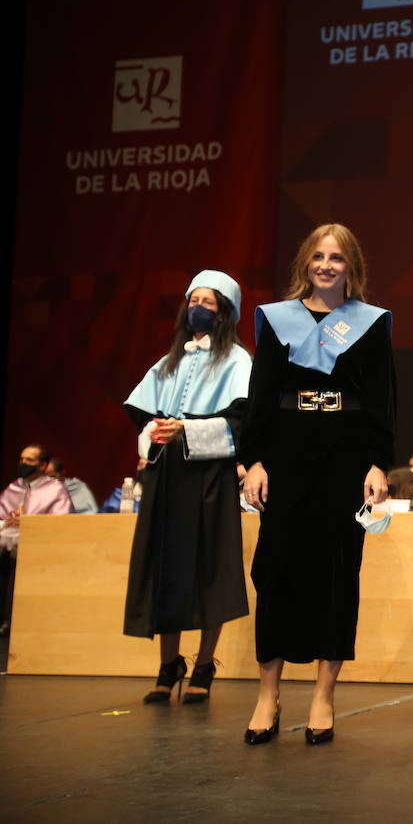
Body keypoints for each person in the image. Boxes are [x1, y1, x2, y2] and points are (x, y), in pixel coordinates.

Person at [240, 224, 396, 745]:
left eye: (337, 258)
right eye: (318, 257)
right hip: (285, 453)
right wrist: (255, 460)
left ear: (351, 266)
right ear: (305, 262)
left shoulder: (369, 325)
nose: (326, 265)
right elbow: (260, 394)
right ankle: (268, 694)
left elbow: (381, 400)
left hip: (345, 456)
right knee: (275, 568)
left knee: (337, 571)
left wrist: (376, 463)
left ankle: (324, 695)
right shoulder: (275, 320)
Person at [122, 270, 253, 704]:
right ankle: (167, 663)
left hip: (209, 478)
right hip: (167, 478)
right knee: (166, 568)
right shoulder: (168, 362)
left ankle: (203, 665)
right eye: (193, 299)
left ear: (224, 313)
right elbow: (142, 415)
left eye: (209, 302)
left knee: (210, 569)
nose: (199, 307)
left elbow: (242, 422)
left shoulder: (237, 362)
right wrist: (155, 434)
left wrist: (189, 431)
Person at [0, 445, 75, 635]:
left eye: (29, 460)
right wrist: (9, 522)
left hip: (39, 550)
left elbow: (61, 523)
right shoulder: (14, 487)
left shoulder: (55, 489)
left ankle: (14, 621)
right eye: (22, 459)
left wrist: (28, 522)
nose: (23, 464)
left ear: (42, 466)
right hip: (7, 545)